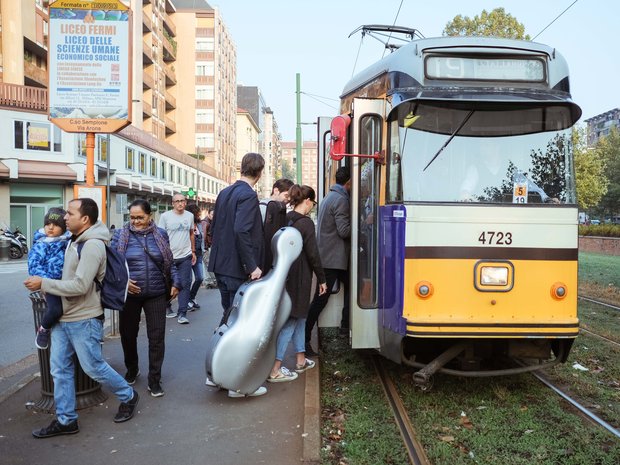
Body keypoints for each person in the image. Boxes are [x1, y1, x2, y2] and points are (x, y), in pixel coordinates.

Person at [24, 198, 139, 438]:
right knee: (59, 369)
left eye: (70, 213)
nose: (65, 217)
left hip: (84, 319)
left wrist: (43, 283)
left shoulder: (93, 245)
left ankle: (128, 395)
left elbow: (80, 285)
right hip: (64, 318)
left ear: (84, 219)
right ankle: (66, 420)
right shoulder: (74, 241)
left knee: (93, 367)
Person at [207, 152, 267, 398]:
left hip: (221, 265)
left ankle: (216, 372)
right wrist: (252, 265)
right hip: (236, 268)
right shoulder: (248, 195)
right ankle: (236, 383)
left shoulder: (225, 192)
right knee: (239, 323)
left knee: (227, 319)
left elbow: (217, 227)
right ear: (260, 172)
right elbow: (242, 230)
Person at [111, 199, 180, 397]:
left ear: (150, 216)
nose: (135, 222)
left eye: (140, 217)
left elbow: (169, 262)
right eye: (132, 218)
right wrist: (123, 283)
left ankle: (154, 379)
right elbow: (112, 266)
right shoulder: (120, 235)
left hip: (157, 293)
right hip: (129, 295)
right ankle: (132, 368)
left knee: (156, 338)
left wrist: (176, 282)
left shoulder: (161, 234)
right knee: (128, 335)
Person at [268, 185, 327, 383]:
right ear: (308, 200)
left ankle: (301, 360)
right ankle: (275, 369)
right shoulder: (306, 224)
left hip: (285, 273)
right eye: (313, 203)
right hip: (300, 277)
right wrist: (322, 278)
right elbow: (313, 254)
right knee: (292, 320)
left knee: (300, 317)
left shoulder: (287, 218)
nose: (312, 207)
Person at [305, 167, 351, 356]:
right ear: (349, 183)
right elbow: (344, 231)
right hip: (334, 259)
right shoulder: (341, 200)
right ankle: (304, 337)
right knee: (320, 300)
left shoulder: (329, 197)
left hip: (329, 256)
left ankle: (344, 325)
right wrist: (364, 224)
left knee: (352, 288)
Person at [28, 207, 71, 350]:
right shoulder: (41, 244)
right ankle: (43, 329)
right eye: (48, 224)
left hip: (65, 284)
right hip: (50, 284)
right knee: (56, 309)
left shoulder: (67, 241)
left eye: (56, 225)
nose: (51, 227)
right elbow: (34, 267)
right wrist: (45, 284)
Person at [158, 193, 196, 324]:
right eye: (177, 201)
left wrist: (193, 251)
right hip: (168, 257)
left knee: (185, 284)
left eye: (182, 201)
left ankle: (182, 313)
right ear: (172, 203)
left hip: (185, 256)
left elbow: (191, 233)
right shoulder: (165, 217)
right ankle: (168, 307)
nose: (180, 203)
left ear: (185, 202)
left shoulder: (190, 216)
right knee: (168, 284)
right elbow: (160, 237)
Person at [260, 178, 294, 272]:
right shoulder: (263, 208)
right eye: (286, 195)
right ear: (276, 191)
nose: (287, 200)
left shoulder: (278, 208)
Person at [185, 203, 204, 310]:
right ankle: (186, 302)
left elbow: (201, 238)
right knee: (188, 280)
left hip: (199, 254)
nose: (199, 215)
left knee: (200, 277)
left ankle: (192, 297)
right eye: (197, 213)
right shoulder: (186, 224)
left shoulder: (199, 224)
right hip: (188, 255)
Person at [201, 207, 217, 288]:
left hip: (208, 246)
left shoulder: (211, 222)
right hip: (206, 247)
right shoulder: (205, 223)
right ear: (208, 214)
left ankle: (209, 282)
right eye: (212, 214)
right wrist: (204, 248)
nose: (214, 216)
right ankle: (212, 281)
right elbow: (204, 235)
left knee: (208, 264)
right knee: (209, 264)